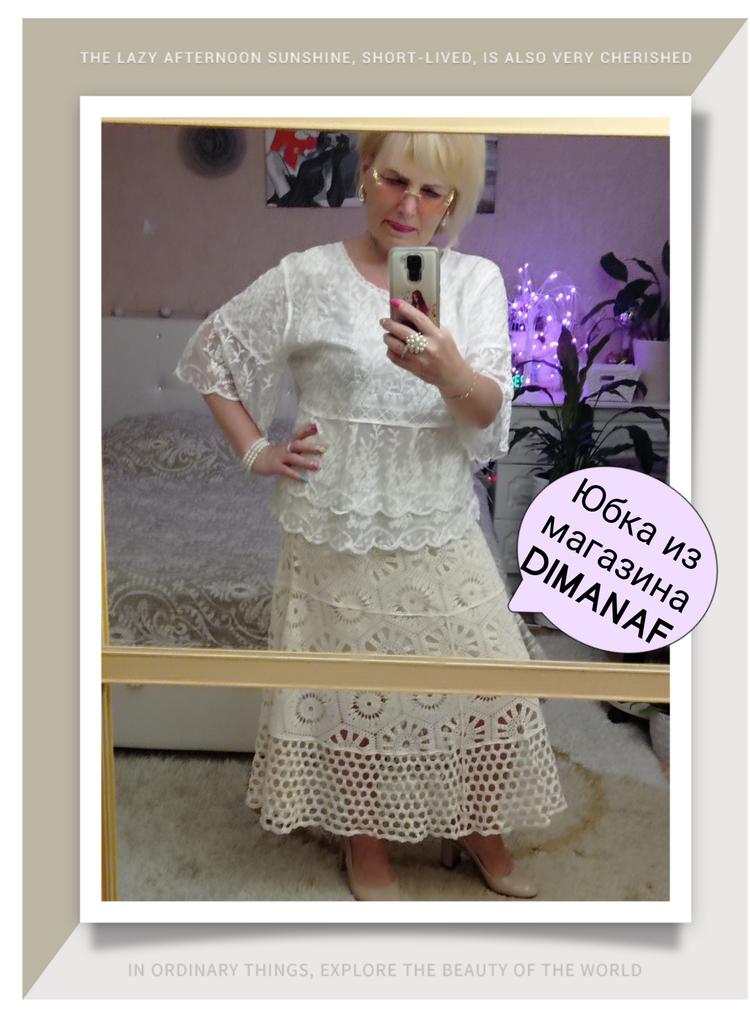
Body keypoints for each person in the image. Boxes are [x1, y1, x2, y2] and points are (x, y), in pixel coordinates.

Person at [174, 131, 567, 901]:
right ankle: (367, 842)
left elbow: (489, 414)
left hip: (439, 518)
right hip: (334, 521)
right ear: (363, 174)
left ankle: (477, 825)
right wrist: (256, 450)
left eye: (431, 191)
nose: (408, 205)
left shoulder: (475, 281)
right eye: (394, 179)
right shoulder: (306, 276)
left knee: (493, 683)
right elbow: (210, 353)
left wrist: (448, 369)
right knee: (356, 691)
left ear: (452, 202)